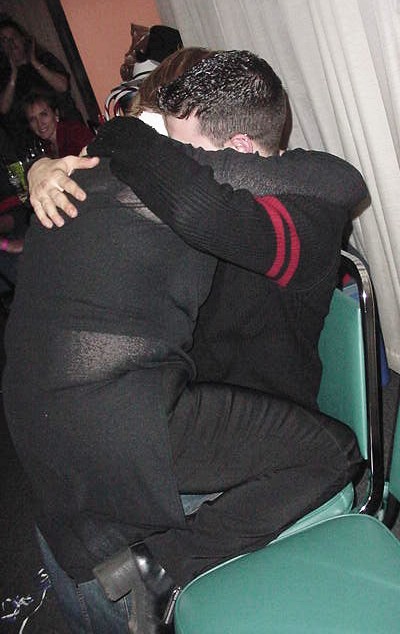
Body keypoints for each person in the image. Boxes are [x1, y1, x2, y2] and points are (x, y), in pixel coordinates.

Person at [4, 51, 366, 633]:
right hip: (194, 395)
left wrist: (120, 135)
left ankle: (159, 569)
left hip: (263, 412)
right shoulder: (203, 198)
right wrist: (47, 170)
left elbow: (207, 199)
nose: (172, 159)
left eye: (181, 147)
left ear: (238, 149)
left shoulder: (298, 216)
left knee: (333, 454)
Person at [0, 17, 80, 153]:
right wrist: (13, 73)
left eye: (13, 37)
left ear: (23, 38)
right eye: (4, 40)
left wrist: (34, 62)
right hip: (32, 143)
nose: (11, 43)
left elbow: (63, 86)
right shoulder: (4, 75)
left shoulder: (45, 59)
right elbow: (3, 108)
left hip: (67, 130)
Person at [23, 92, 94, 158]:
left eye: (43, 114)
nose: (39, 123)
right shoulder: (45, 147)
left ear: (56, 113)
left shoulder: (75, 132)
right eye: (33, 119)